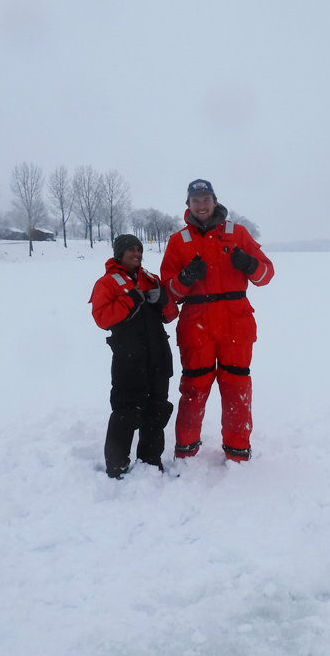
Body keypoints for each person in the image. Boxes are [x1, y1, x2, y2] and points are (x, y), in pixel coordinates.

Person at [160, 179, 274, 462]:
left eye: (206, 199)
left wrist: (249, 264)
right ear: (188, 205)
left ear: (215, 201)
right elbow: (167, 292)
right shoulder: (178, 241)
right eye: (196, 200)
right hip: (196, 325)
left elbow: (266, 275)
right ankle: (186, 451)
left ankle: (237, 451)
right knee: (194, 388)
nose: (201, 205)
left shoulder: (238, 233)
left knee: (236, 386)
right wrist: (185, 279)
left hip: (236, 324)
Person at [90, 234, 179, 478]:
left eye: (139, 249)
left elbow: (171, 315)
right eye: (130, 249)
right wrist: (131, 299)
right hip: (129, 359)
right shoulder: (106, 283)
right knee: (126, 412)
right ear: (119, 253)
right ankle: (116, 467)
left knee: (157, 409)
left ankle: (150, 461)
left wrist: (163, 299)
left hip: (159, 356)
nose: (136, 253)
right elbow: (102, 318)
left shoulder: (151, 279)